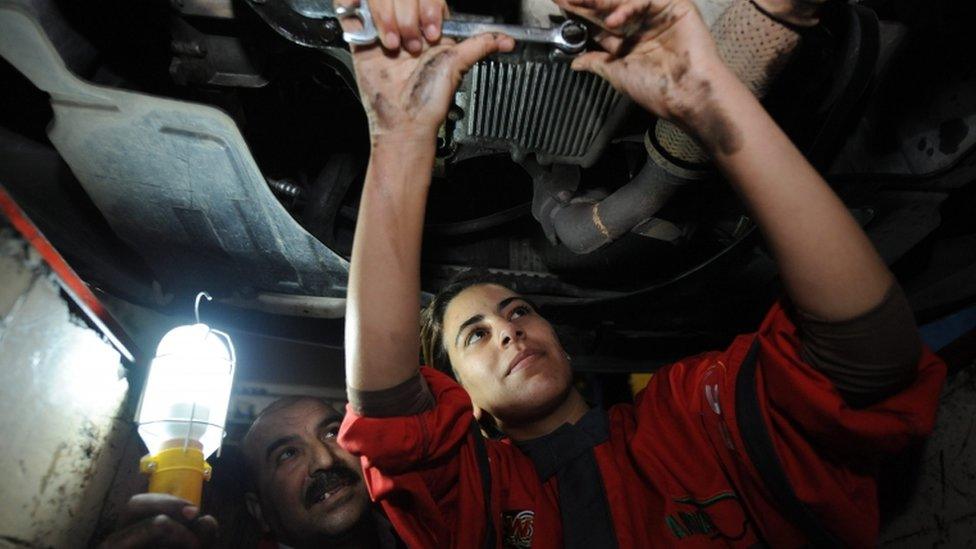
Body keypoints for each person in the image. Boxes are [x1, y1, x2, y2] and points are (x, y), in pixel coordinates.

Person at [336, 0, 947, 547]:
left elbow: (865, 361)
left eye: (518, 310)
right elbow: (390, 421)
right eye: (475, 334)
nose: (508, 330)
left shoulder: (688, 417)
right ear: (463, 404)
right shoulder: (475, 504)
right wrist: (400, 136)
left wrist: (709, 99)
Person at [100, 396, 401, 549]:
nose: (323, 460)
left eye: (331, 433)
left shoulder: (430, 527)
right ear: (259, 512)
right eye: (287, 454)